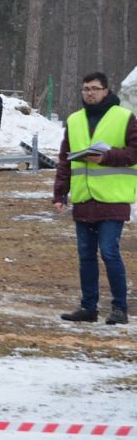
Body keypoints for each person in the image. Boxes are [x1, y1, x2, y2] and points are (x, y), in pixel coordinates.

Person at [53, 72, 136, 325]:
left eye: (94, 88)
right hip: (84, 198)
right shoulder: (75, 120)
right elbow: (65, 159)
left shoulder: (125, 117)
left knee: (109, 252)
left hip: (112, 198)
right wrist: (60, 193)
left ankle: (119, 308)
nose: (89, 93)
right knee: (85, 254)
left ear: (106, 90)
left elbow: (135, 151)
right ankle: (88, 307)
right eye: (85, 88)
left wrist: (107, 157)